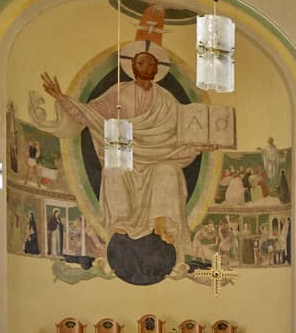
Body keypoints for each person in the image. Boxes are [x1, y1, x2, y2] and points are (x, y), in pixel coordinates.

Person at [40, 51, 201, 244]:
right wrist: (63, 98)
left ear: (158, 68)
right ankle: (120, 226)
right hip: (125, 154)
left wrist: (200, 142)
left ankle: (161, 225)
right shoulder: (118, 92)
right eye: (142, 63)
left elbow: (183, 128)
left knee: (169, 171)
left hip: (158, 156)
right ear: (133, 66)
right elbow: (88, 115)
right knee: (114, 170)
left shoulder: (166, 99)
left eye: (152, 64)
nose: (147, 67)